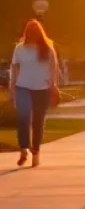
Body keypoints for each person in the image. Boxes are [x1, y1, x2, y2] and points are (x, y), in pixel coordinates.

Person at [9, 19, 60, 167]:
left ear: (39, 33)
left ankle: (36, 152)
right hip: (22, 86)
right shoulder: (19, 49)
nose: (31, 35)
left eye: (35, 33)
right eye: (29, 32)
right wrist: (12, 88)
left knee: (38, 121)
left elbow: (54, 68)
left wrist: (53, 86)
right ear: (26, 33)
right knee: (23, 117)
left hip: (42, 89)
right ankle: (23, 149)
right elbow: (14, 68)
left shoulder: (47, 49)